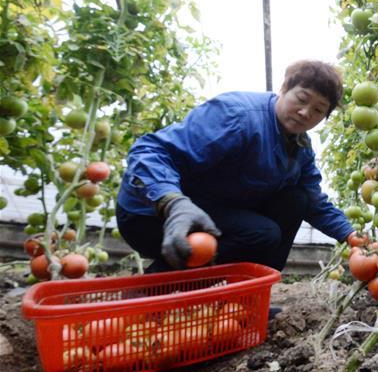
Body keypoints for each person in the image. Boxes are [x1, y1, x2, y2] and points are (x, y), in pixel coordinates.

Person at [116, 59, 363, 273]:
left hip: (209, 214)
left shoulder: (301, 149)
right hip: (150, 215)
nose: (305, 112)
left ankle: (248, 294)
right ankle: (158, 282)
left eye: (319, 110)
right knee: (262, 232)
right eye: (301, 99)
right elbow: (149, 151)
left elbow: (314, 201)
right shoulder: (238, 116)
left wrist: (350, 236)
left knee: (296, 199)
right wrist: (172, 203)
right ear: (284, 89)